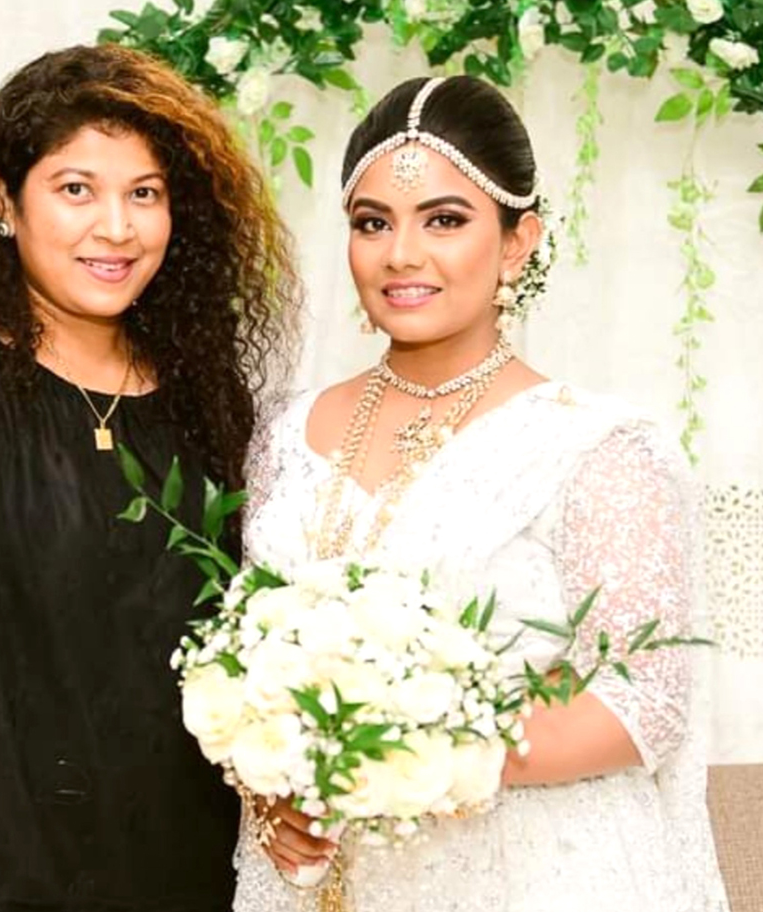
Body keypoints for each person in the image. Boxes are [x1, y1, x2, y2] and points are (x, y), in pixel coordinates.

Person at [0, 43, 299, 912]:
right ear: (5, 200)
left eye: (144, 193)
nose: (117, 227)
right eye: (77, 189)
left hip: (178, 870)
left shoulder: (208, 401)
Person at [234, 75, 728, 912]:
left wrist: (415, 756)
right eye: (372, 223)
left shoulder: (595, 445)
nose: (401, 255)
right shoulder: (287, 432)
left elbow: (644, 700)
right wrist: (275, 791)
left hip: (533, 876)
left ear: (516, 241)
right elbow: (256, 666)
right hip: (323, 879)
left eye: (446, 221)